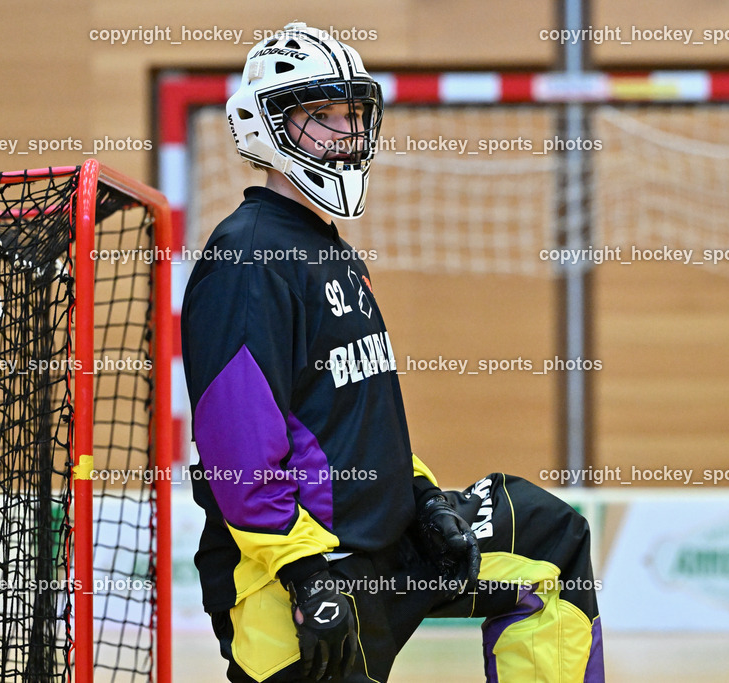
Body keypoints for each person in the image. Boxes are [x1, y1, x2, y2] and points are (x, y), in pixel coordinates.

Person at [181, 22, 605, 683]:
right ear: (264, 126)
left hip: (391, 545)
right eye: (320, 116)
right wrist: (304, 573)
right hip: (307, 576)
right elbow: (239, 451)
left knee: (548, 543)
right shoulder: (246, 258)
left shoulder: (330, 249)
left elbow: (356, 416)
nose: (344, 134)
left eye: (351, 115)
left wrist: (426, 498)